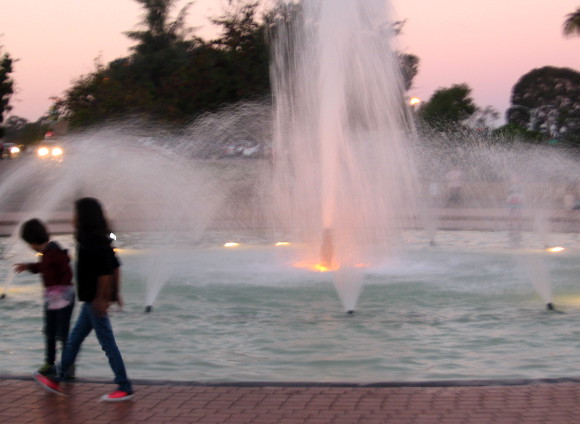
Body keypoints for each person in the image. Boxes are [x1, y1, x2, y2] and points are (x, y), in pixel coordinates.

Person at [33, 198, 133, 402]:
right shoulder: (96, 239)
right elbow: (115, 265)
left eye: (75, 212)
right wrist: (116, 294)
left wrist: (102, 298)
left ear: (83, 216)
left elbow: (105, 272)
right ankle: (57, 378)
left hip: (94, 301)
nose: (73, 216)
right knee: (74, 340)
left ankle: (124, 386)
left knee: (107, 343)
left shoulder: (91, 242)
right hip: (90, 301)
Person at [14, 219, 75, 378]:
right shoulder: (46, 253)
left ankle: (67, 366)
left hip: (63, 297)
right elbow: (43, 267)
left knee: (62, 332)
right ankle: (50, 363)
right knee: (49, 331)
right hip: (52, 298)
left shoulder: (55, 250)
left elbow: (66, 271)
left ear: (32, 242)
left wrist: (62, 288)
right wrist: (28, 266)